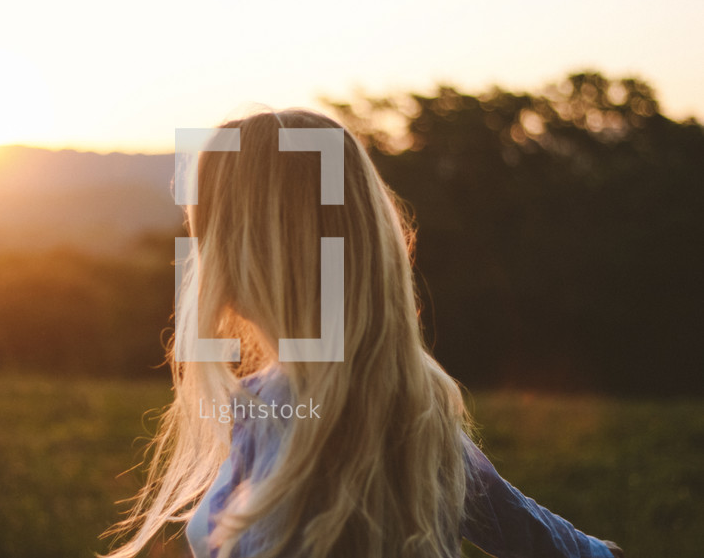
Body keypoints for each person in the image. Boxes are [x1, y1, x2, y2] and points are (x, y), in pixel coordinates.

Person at [103, 109, 623, 558]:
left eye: (210, 230)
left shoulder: (277, 408)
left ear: (249, 251)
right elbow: (567, 548)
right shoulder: (416, 403)